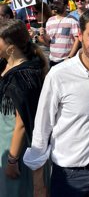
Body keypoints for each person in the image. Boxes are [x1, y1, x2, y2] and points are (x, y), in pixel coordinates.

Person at [24, 8, 89, 197]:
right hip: (70, 178)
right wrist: (39, 185)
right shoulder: (59, 76)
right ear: (80, 35)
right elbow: (42, 130)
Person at [0, 19, 48, 197]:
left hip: (16, 147)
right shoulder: (5, 65)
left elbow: (21, 124)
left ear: (11, 48)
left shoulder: (23, 76)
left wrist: (12, 160)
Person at [40, 0, 80, 67]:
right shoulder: (50, 21)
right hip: (52, 61)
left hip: (67, 61)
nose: (56, 7)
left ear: (65, 6)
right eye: (55, 4)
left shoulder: (72, 20)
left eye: (58, 4)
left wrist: (70, 57)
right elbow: (48, 42)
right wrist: (43, 35)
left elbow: (77, 40)